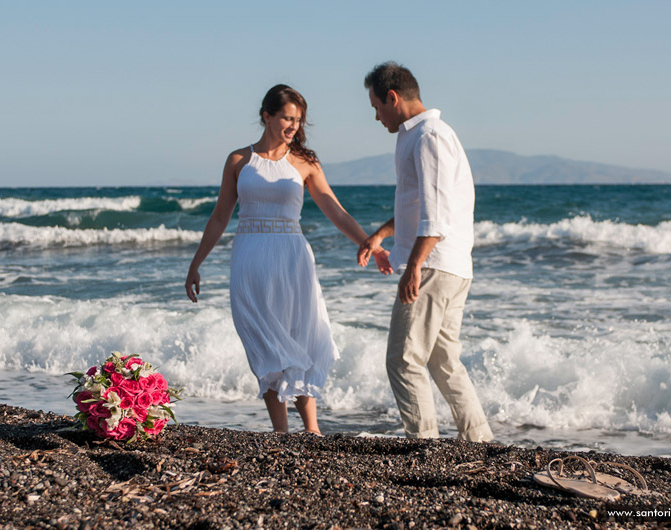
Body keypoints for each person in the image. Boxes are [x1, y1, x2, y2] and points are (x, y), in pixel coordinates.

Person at [186, 84, 390, 435]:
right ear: (266, 115)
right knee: (265, 341)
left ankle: (312, 430)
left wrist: (371, 243)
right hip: (250, 258)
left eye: (298, 119)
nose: (293, 125)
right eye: (286, 117)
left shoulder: (305, 163)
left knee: (299, 336)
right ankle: (280, 433)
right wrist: (196, 263)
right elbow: (220, 215)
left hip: (292, 259)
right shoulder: (239, 160)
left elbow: (334, 210)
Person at [357, 62, 494, 442]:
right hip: (453, 266)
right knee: (443, 361)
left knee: (403, 360)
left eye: (376, 107)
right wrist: (381, 235)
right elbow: (417, 205)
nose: (376, 116)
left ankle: (425, 445)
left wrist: (414, 265)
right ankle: (480, 441)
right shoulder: (420, 135)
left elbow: (436, 214)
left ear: (393, 97)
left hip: (434, 265)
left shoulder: (429, 136)